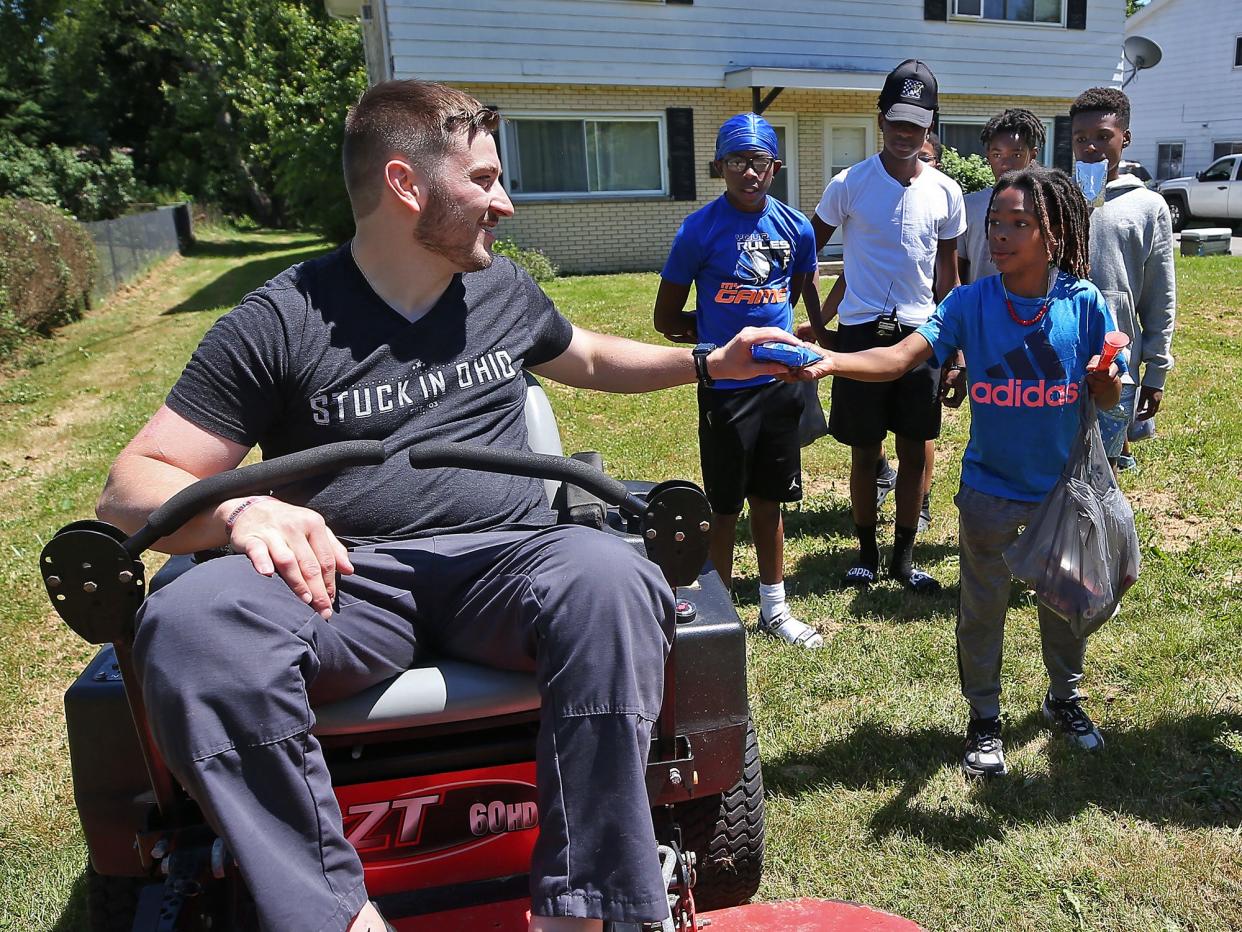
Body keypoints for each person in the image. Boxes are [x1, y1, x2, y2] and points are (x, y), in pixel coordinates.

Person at [95, 80, 812, 932]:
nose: (504, 202)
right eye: (482, 180)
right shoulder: (282, 319)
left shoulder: (499, 291)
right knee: (189, 628)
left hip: (508, 561)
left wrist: (708, 362)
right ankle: (334, 915)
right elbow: (131, 483)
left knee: (615, 579)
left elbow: (584, 354)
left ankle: (580, 912)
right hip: (346, 582)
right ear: (406, 185)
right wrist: (245, 513)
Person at [805, 165, 1123, 776]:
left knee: (1064, 605)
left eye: (1018, 225)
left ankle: (1065, 699)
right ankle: (984, 718)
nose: (999, 236)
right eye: (994, 224)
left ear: (1052, 233)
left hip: (1062, 495)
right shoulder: (970, 301)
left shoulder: (1082, 303)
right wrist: (829, 360)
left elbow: (1107, 397)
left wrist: (1105, 381)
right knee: (983, 611)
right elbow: (900, 357)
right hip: (989, 495)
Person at [653, 113, 823, 649]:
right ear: (719, 167)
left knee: (770, 498)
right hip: (726, 390)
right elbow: (666, 317)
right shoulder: (698, 229)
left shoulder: (795, 226)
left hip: (779, 384)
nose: (748, 173)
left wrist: (770, 341)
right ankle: (721, 613)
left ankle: (774, 606)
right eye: (735, 162)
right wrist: (716, 346)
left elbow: (793, 291)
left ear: (775, 167)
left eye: (758, 162)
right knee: (724, 506)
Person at [809, 58, 965, 592]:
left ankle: (903, 555)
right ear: (880, 119)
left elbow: (948, 274)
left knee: (914, 447)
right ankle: (866, 552)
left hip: (922, 336)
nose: (906, 134)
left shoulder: (946, 192)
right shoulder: (849, 184)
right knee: (865, 449)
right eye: (897, 121)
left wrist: (957, 348)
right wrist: (819, 324)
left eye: (917, 124)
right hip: (859, 335)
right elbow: (808, 251)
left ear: (931, 127)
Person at [1070, 86, 1176, 472]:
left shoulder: (1148, 206)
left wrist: (1156, 372)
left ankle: (1101, 534)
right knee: (1055, 468)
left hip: (1117, 364)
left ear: (1125, 138)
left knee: (1104, 470)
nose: (1092, 148)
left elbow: (1160, 296)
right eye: (1082, 139)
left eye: (1103, 137)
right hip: (1059, 359)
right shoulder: (1058, 198)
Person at [959, 108, 1045, 285]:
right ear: (988, 157)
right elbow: (959, 267)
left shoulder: (1046, 205)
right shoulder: (968, 205)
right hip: (980, 308)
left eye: (1016, 155)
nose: (1006, 164)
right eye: (997, 155)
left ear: (1033, 155)